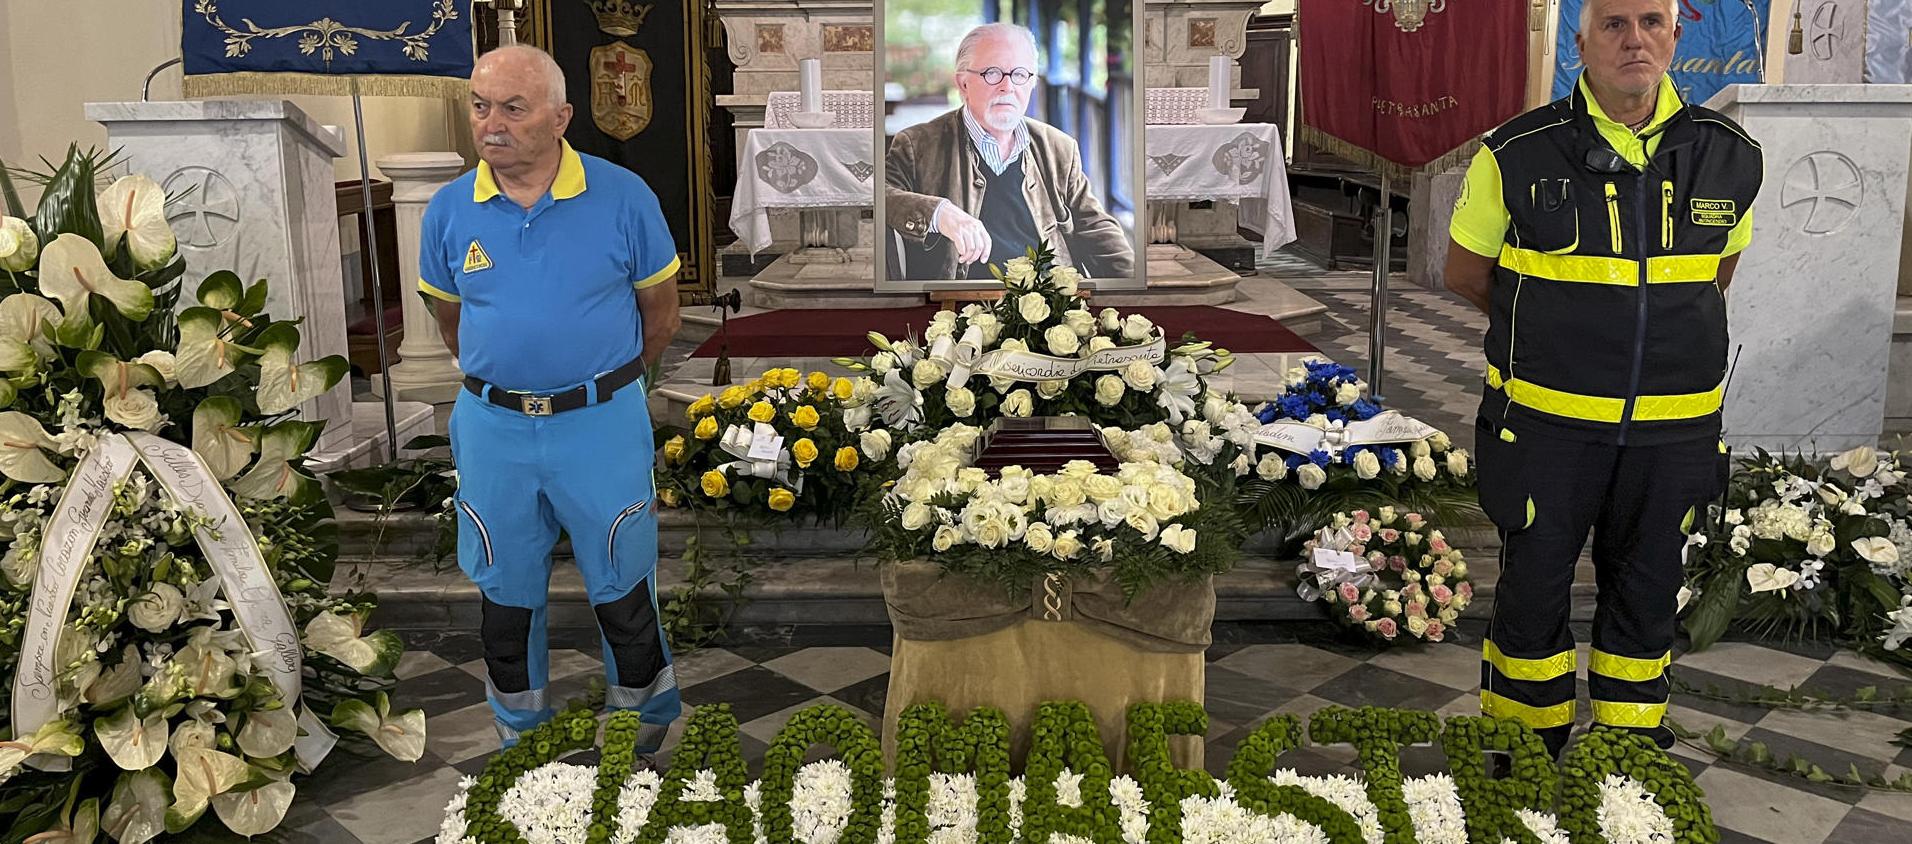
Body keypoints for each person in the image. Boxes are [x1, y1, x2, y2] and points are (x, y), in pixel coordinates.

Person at [1443, 0, 1761, 759]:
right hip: (1546, 428)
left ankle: (1626, 756)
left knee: (1649, 594)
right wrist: (1557, 334)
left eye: (1651, 22)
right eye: (1614, 24)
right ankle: (1522, 759)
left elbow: (1714, 276)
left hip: (1674, 433)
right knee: (1532, 595)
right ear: (1579, 42)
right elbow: (1464, 273)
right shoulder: (1516, 153)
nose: (1635, 41)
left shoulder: (1730, 153)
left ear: (1676, 38)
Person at [417, 44, 683, 753]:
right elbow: (452, 322)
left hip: (599, 425)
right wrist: (506, 378)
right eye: (480, 106)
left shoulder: (623, 198)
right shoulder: (448, 210)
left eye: (513, 107)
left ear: (562, 117)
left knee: (624, 586)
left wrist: (606, 385)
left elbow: (660, 314)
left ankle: (644, 725)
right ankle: (520, 732)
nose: (491, 123)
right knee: (503, 593)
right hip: (494, 429)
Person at [886, 22, 1134, 280]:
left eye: (1019, 74)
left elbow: (1096, 229)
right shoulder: (917, 146)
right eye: (992, 73)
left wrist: (1138, 291)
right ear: (963, 84)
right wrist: (939, 213)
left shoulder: (1059, 147)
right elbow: (876, 196)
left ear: (1031, 82)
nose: (1007, 86)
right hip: (959, 309)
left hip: (1051, 307)